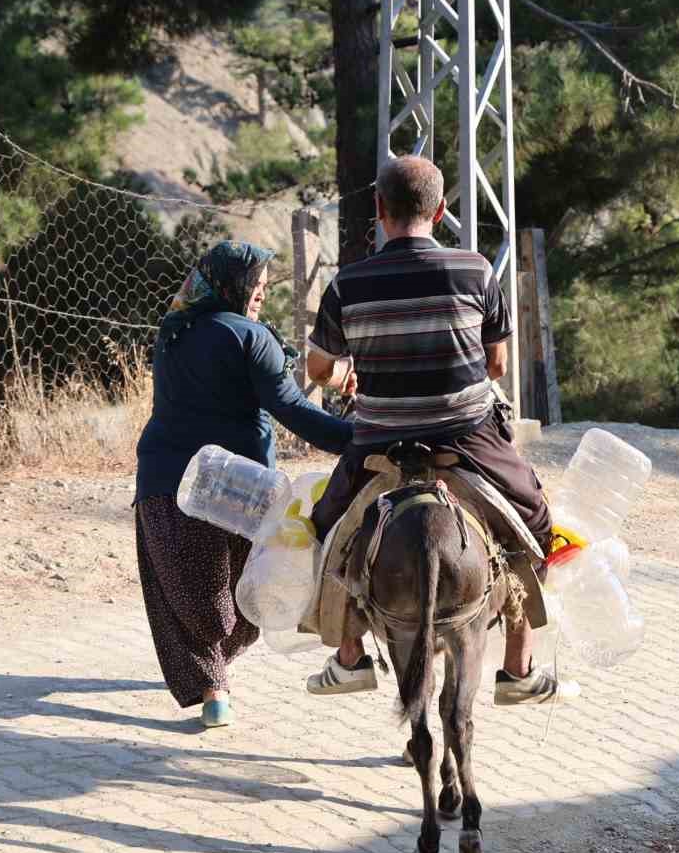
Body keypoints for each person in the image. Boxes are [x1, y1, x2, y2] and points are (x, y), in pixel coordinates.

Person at [301, 156, 575, 705]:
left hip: (378, 440)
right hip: (467, 439)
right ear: (442, 210)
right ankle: (518, 668)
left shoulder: (348, 283)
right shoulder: (475, 270)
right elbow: (496, 365)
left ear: (379, 210)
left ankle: (350, 656)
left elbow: (317, 369)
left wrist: (345, 373)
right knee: (535, 522)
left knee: (326, 528)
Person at [134, 241, 354, 729]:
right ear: (229, 283)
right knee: (249, 591)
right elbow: (293, 410)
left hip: (166, 482)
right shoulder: (251, 337)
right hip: (242, 488)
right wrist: (358, 438)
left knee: (189, 594)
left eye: (263, 285)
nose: (260, 292)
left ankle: (211, 682)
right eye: (254, 284)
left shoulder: (173, 330)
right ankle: (215, 683)